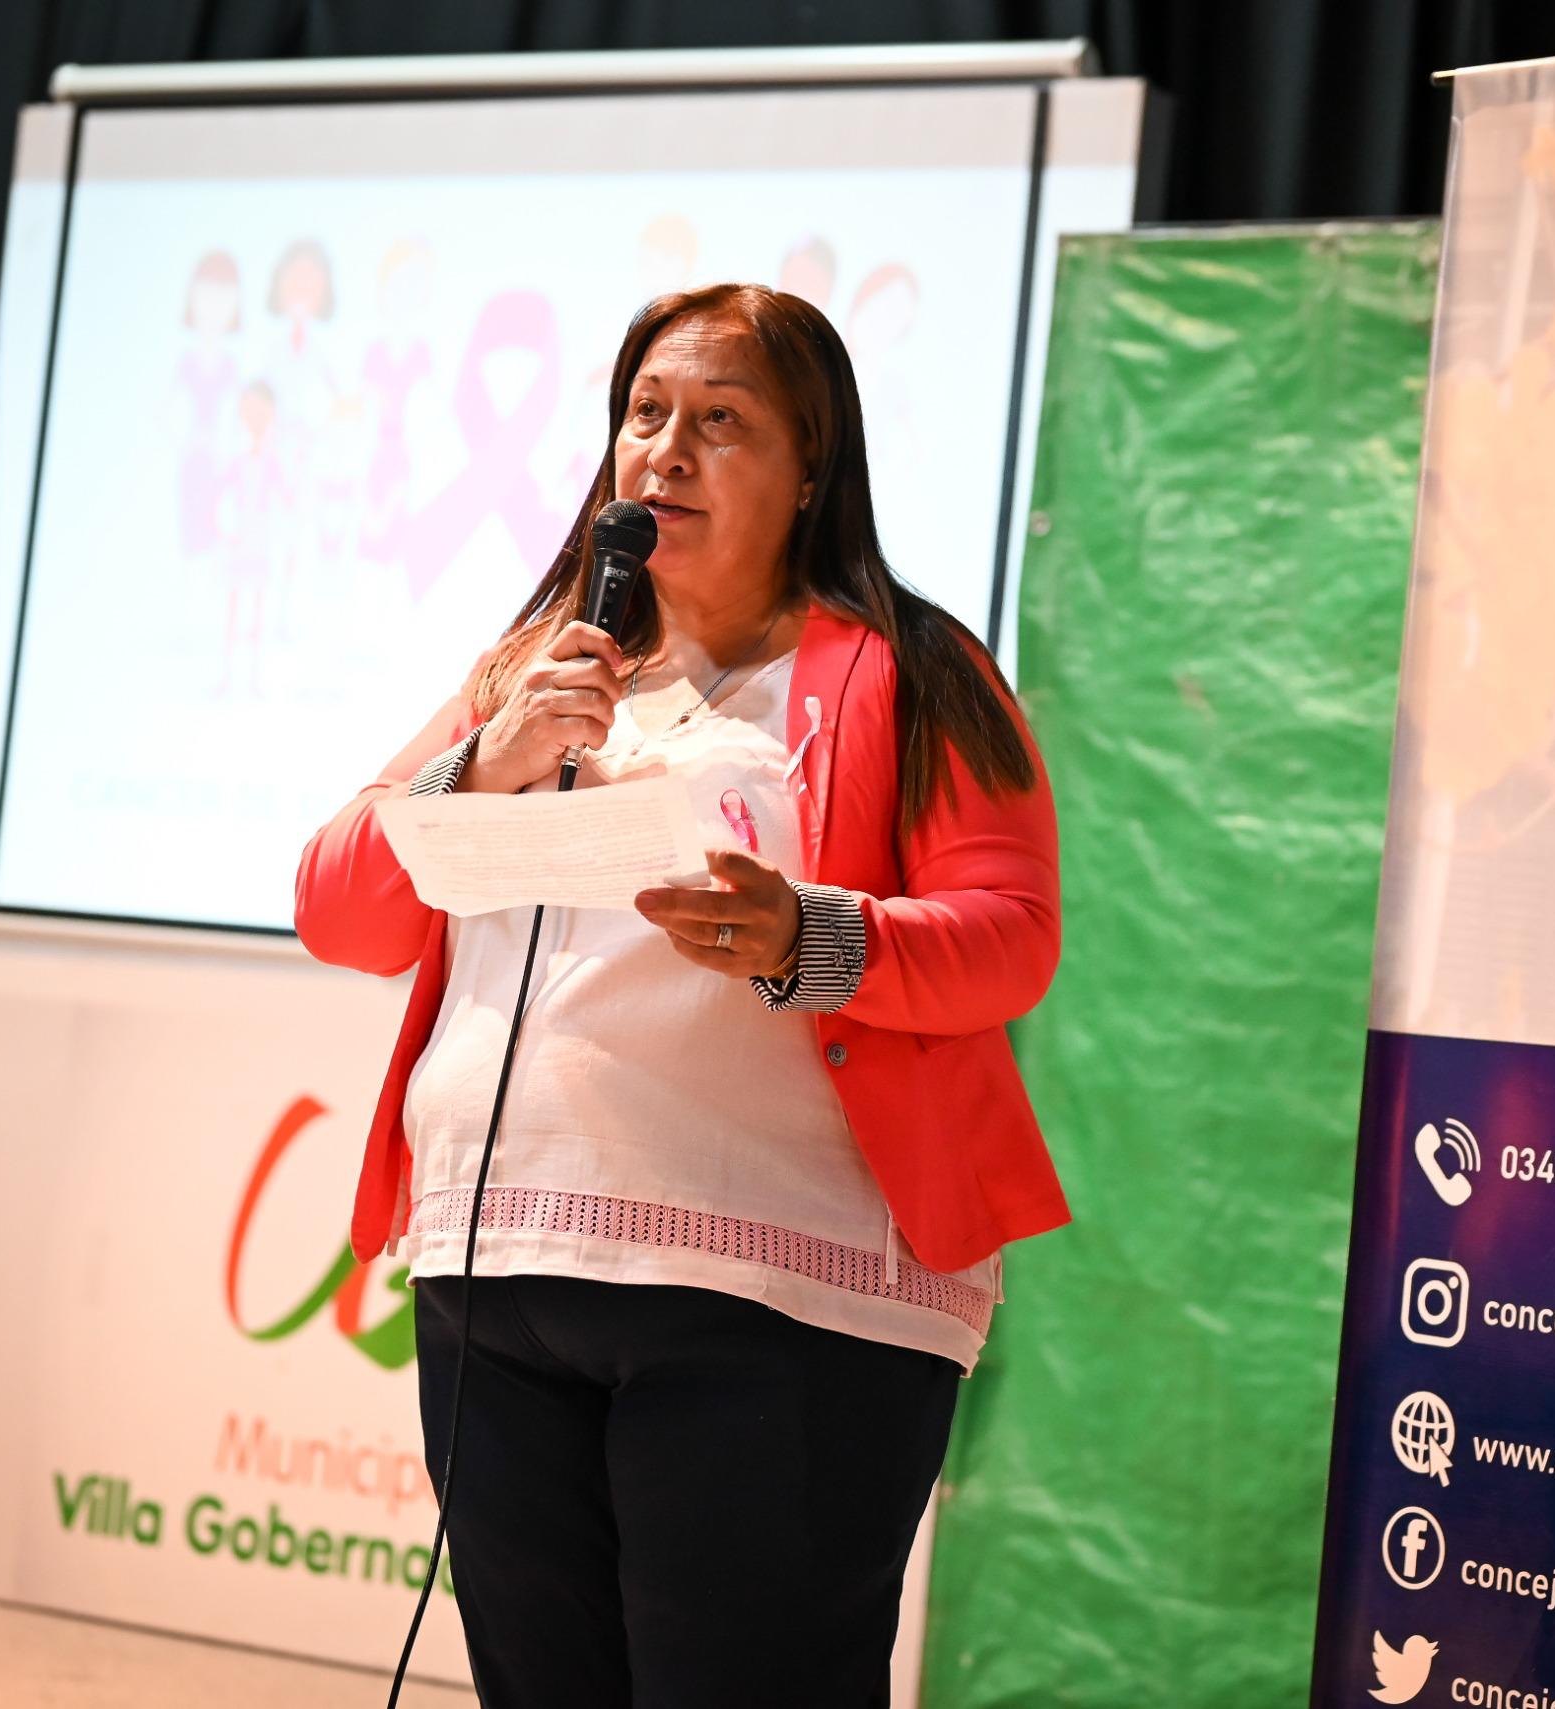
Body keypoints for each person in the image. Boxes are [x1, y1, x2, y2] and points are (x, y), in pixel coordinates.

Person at [294, 283, 1068, 1707]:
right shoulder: (528, 677)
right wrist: (484, 764)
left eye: (722, 420)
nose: (666, 449)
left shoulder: (915, 670)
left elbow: (1010, 937)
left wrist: (806, 936)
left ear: (812, 468)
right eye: (646, 413)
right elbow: (338, 907)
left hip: (781, 1301)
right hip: (498, 1276)